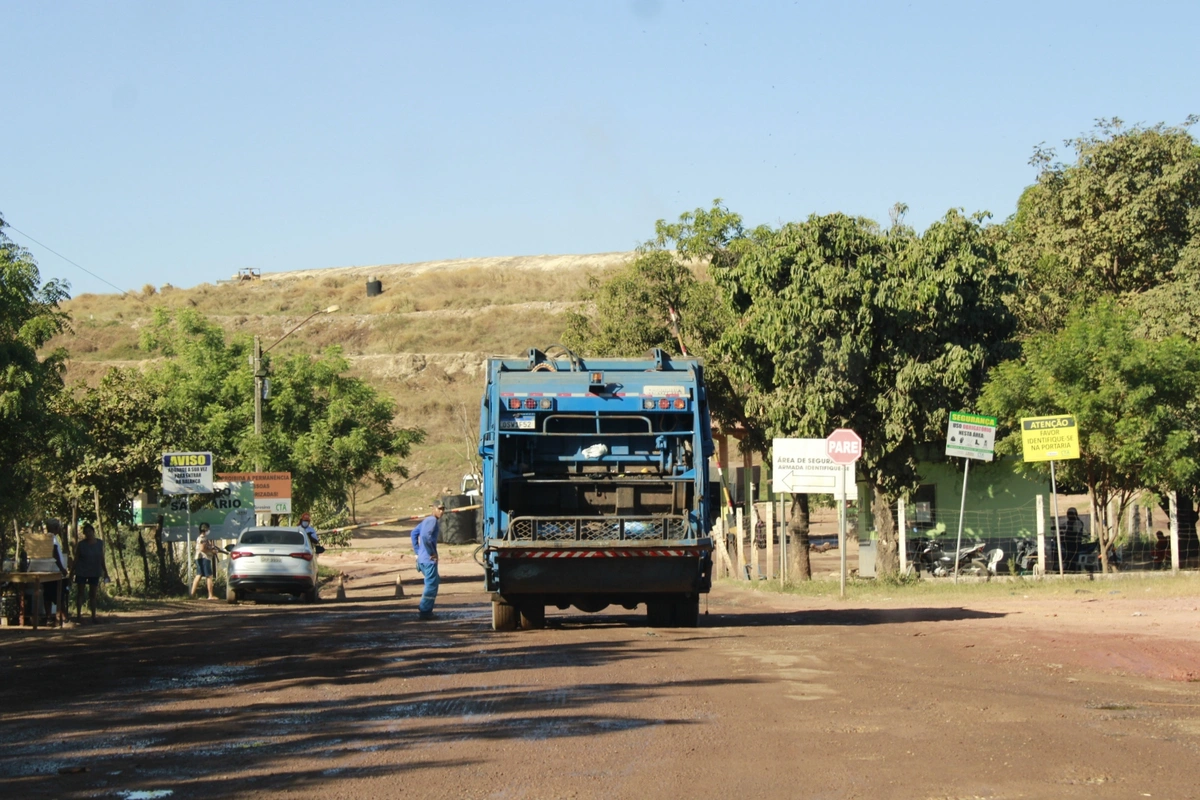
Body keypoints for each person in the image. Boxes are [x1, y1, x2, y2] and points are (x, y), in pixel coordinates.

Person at [411, 502, 444, 620]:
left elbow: (413, 533)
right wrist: (431, 552)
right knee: (431, 584)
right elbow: (425, 537)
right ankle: (425, 611)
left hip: (422, 559)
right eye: (439, 509)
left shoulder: (426, 520)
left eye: (443, 509)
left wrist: (417, 552)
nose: (441, 511)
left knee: (434, 581)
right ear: (433, 509)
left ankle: (425, 608)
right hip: (428, 560)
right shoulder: (432, 521)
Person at [72, 522, 109, 622]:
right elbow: (76, 558)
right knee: (80, 593)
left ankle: (93, 616)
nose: (88, 534)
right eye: (86, 532)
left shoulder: (99, 543)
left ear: (93, 531)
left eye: (90, 531)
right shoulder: (81, 545)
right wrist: (72, 572)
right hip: (82, 571)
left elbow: (101, 558)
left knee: (93, 594)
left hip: (94, 571)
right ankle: (78, 616)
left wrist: (105, 572)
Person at [190, 523, 220, 600]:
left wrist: (211, 547)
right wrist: (212, 551)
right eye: (208, 529)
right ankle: (210, 595)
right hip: (204, 558)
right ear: (205, 529)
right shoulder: (203, 538)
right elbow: (202, 549)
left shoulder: (201, 538)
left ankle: (192, 594)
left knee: (199, 575)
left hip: (199, 558)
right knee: (209, 576)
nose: (209, 530)